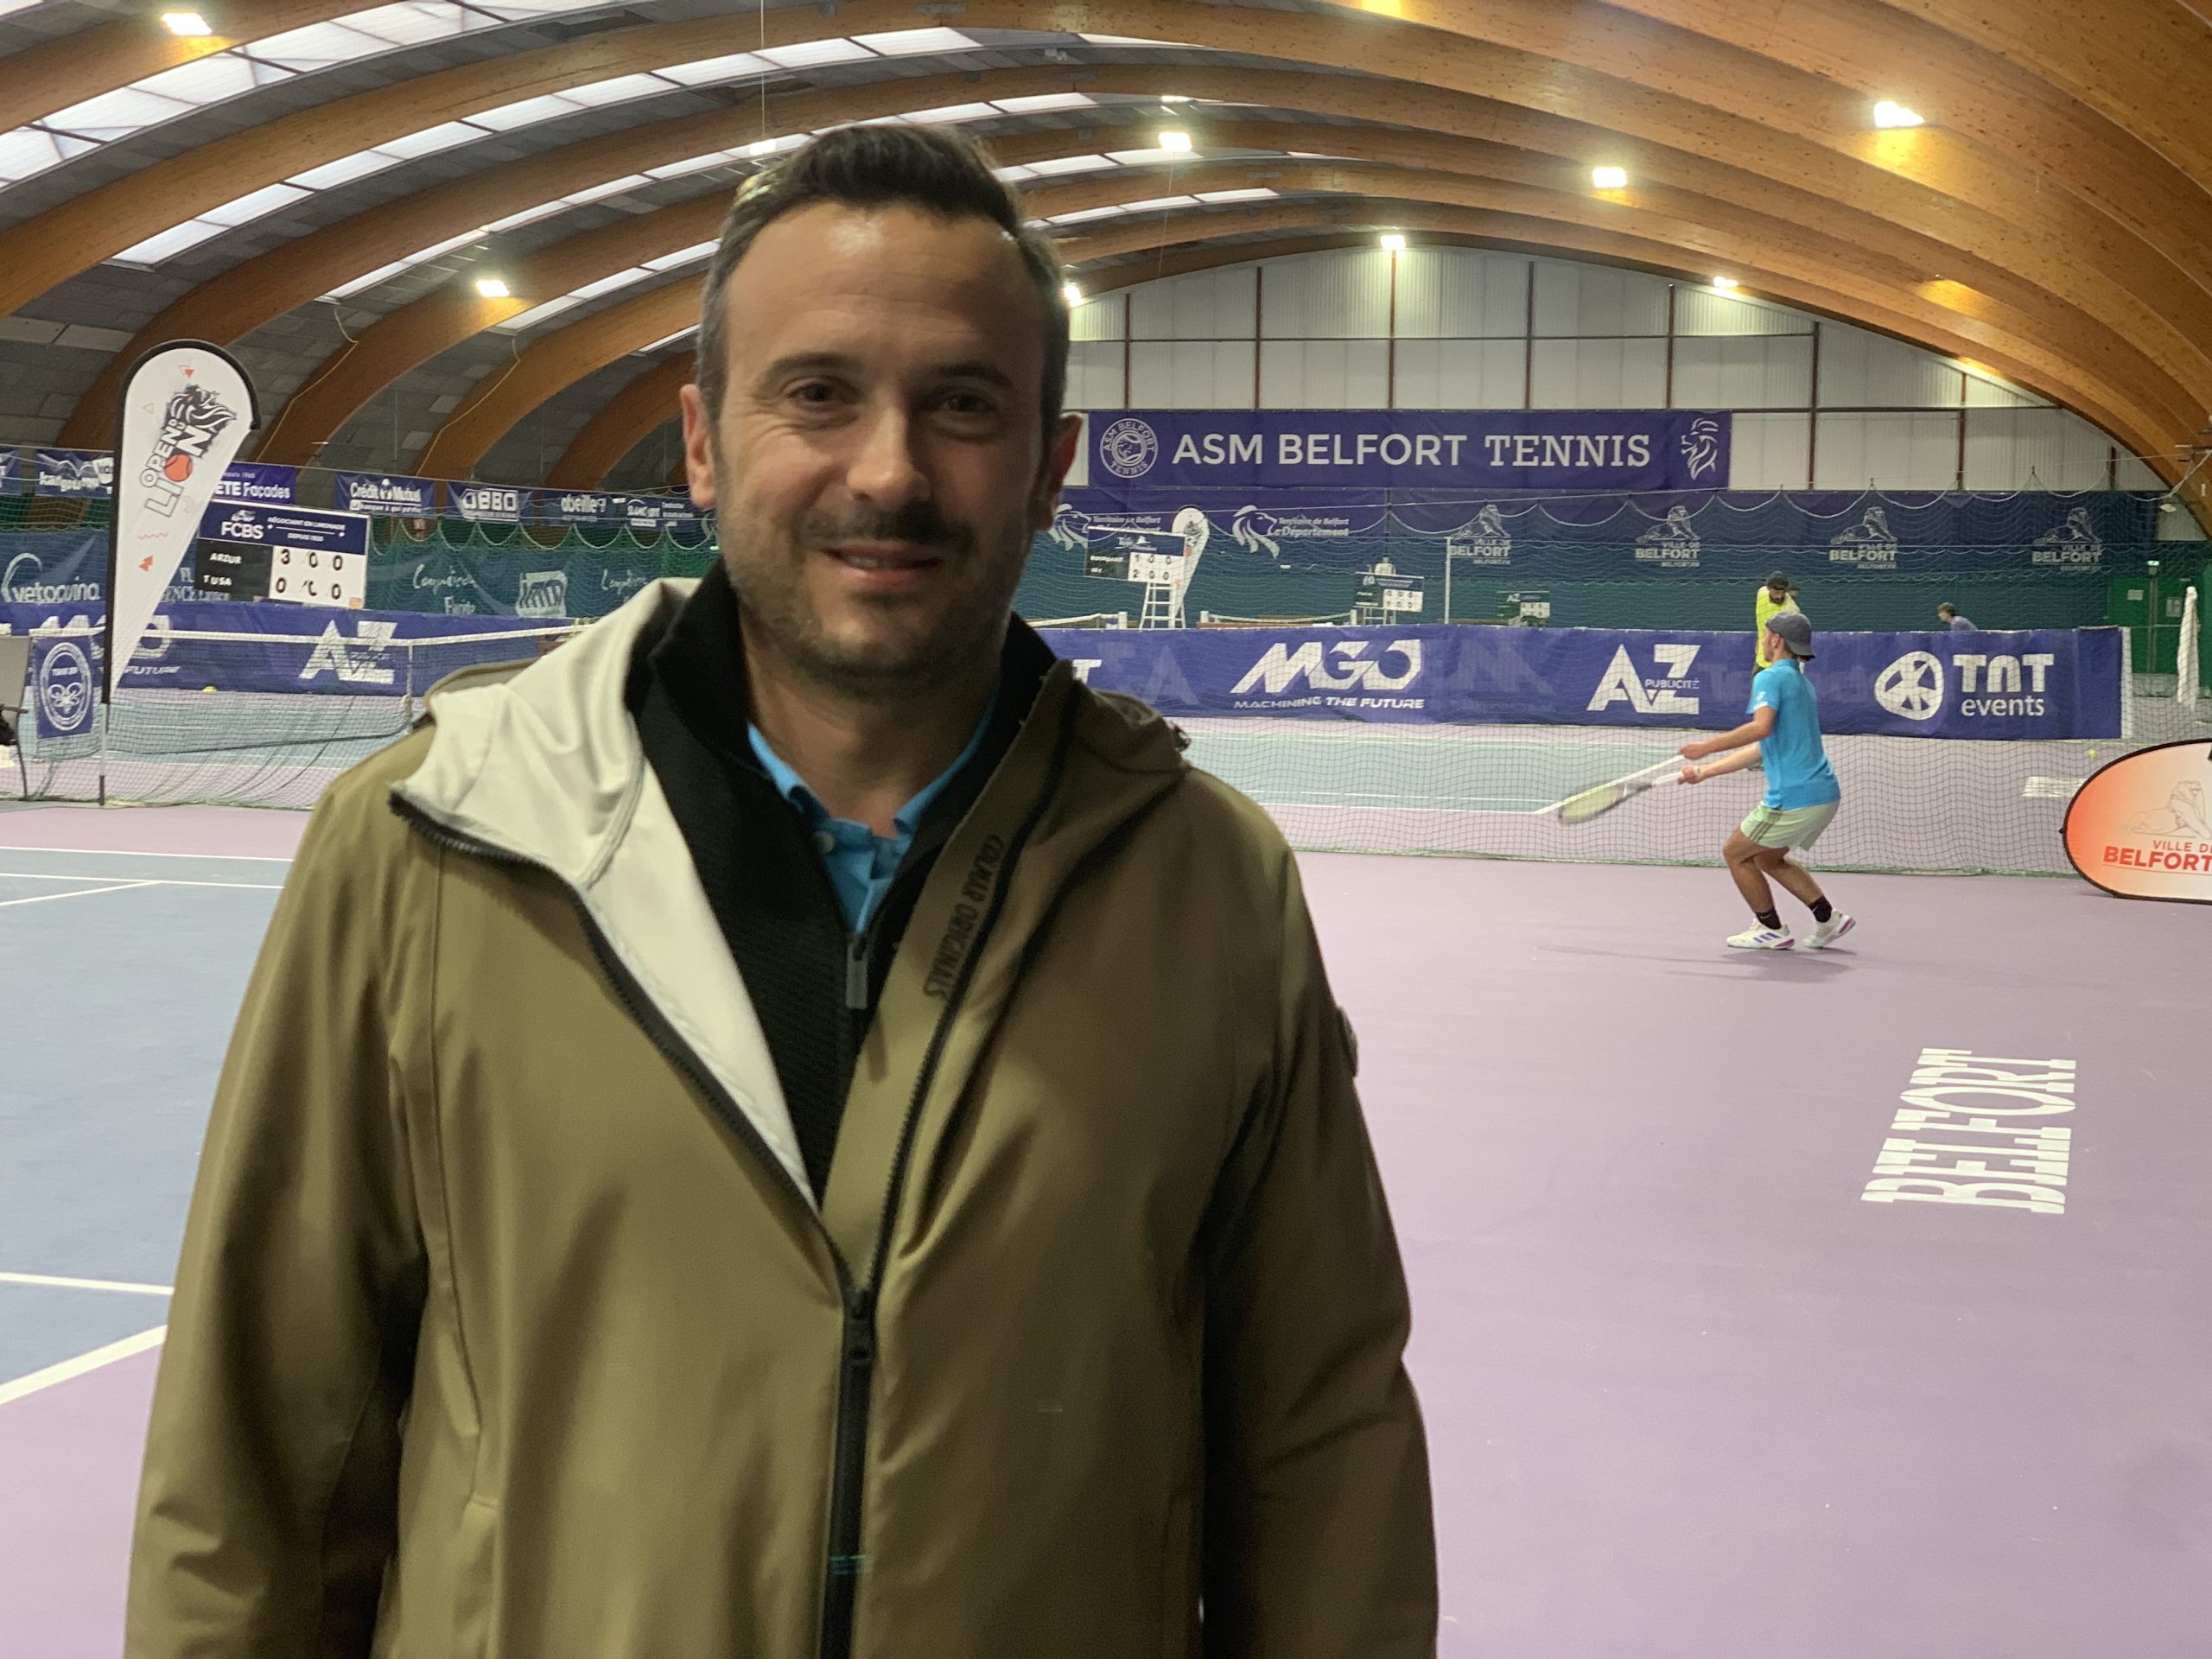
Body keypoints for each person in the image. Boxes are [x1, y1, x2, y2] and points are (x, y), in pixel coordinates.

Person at [124, 124, 1436, 1657]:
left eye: (962, 406)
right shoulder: (424, 847)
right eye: (819, 394)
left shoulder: (1211, 889)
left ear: (1049, 469)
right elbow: (258, 1462)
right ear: (702, 441)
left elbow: (1319, 1455)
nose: (889, 470)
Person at [1679, 610, 1853, 950]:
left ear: (1776, 639)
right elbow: (1763, 747)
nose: (1760, 640)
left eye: (1764, 634)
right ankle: (1827, 918)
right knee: (1767, 857)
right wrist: (1705, 771)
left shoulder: (1770, 678)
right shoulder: (1801, 682)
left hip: (1793, 797)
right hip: (1823, 793)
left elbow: (1760, 728)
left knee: (1735, 853)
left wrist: (1705, 747)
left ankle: (1769, 927)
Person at [1753, 570, 1799, 669]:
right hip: (1761, 660)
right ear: (1769, 588)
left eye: (1783, 592)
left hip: (1779, 665)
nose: (1779, 596)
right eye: (1776, 592)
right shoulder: (1761, 593)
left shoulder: (1791, 610)